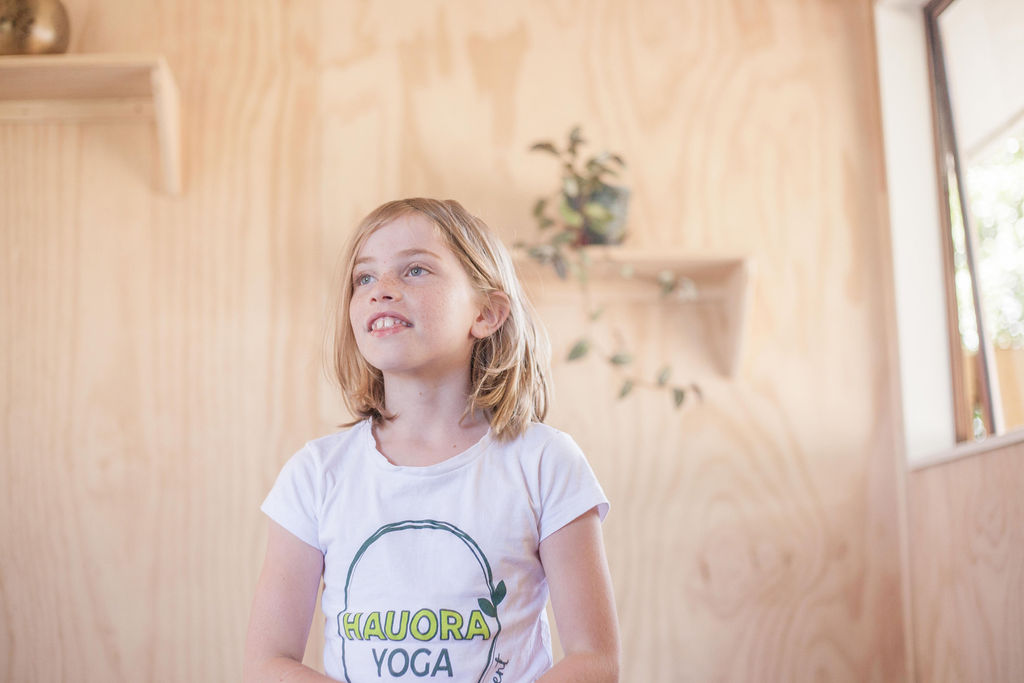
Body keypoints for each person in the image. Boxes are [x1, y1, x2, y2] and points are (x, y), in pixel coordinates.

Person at [243, 198, 620, 683]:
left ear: (487, 312)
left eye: (415, 270)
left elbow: (594, 660)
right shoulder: (314, 474)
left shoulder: (546, 462)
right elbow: (267, 664)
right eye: (364, 278)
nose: (381, 290)